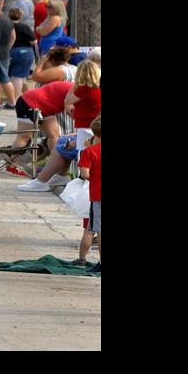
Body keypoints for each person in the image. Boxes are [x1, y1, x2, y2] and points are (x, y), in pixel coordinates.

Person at [17, 59, 100, 192]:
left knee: (61, 147)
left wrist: (75, 85)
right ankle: (59, 176)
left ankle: (42, 181)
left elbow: (68, 100)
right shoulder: (96, 89)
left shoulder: (84, 89)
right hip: (88, 131)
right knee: (61, 141)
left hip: (88, 133)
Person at [75, 114, 100, 272]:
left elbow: (84, 174)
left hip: (98, 195)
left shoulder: (90, 151)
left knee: (92, 230)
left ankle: (82, 259)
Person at [6, 7, 37, 100]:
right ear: (20, 16)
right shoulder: (24, 27)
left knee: (10, 75)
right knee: (18, 76)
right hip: (25, 52)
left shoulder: (6, 26)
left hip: (9, 51)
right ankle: (15, 99)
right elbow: (34, 42)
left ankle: (25, 96)